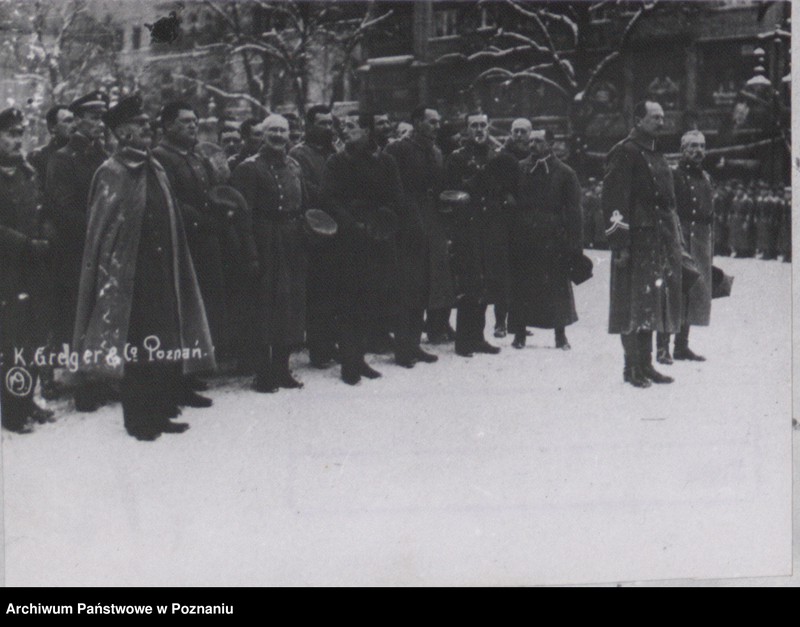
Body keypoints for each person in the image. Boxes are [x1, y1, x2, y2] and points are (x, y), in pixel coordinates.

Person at [72, 94, 215, 441]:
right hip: (129, 278)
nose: (147, 127)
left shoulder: (155, 167)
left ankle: (163, 408)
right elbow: (102, 232)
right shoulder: (111, 172)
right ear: (122, 133)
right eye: (138, 124)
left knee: (164, 339)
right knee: (137, 345)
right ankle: (139, 419)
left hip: (163, 269)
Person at [601, 100, 683, 388]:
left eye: (663, 117)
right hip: (634, 241)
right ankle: (631, 367)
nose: (661, 123)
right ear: (638, 119)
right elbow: (613, 200)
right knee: (631, 304)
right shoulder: (625, 152)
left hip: (657, 240)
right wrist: (619, 243)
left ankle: (646, 365)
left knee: (651, 301)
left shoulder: (654, 152)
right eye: (655, 118)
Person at [321, 111, 404, 385]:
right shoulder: (336, 162)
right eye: (343, 126)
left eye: (352, 126)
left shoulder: (386, 162)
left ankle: (360, 358)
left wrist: (382, 220)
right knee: (349, 301)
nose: (345, 131)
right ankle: (350, 363)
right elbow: (329, 199)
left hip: (379, 237)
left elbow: (396, 197)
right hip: (348, 241)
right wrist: (351, 224)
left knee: (371, 299)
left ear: (368, 131)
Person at [231, 115, 308, 392]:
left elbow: (304, 205)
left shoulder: (294, 166)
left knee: (290, 306)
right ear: (262, 135)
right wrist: (250, 253)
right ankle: (263, 373)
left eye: (283, 130)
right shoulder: (248, 169)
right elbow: (242, 215)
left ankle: (282, 369)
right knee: (264, 307)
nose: (278, 135)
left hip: (291, 241)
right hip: (264, 241)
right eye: (272, 130)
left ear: (289, 135)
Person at [152, 101, 225, 394]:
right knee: (181, 309)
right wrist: (203, 220)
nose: (193, 126)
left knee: (201, 306)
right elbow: (169, 200)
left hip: (204, 241)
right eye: (185, 121)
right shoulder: (160, 157)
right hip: (181, 242)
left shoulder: (195, 156)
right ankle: (178, 378)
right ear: (168, 126)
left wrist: (220, 211)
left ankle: (192, 369)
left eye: (195, 121)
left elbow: (210, 192)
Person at [44, 90, 110, 411]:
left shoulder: (104, 155)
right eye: (94, 117)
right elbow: (63, 209)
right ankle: (84, 386)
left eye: (102, 117)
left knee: (102, 313)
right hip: (77, 250)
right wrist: (100, 226)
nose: (100, 123)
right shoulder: (63, 158)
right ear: (79, 121)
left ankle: (103, 377)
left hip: (105, 249)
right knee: (79, 315)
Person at [0, 107, 56, 433]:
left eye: (19, 134)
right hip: (8, 270)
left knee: (34, 336)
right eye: (9, 134)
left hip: (35, 267)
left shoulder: (27, 171)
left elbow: (43, 207)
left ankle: (27, 399)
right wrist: (25, 243)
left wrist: (47, 233)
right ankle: (13, 412)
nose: (16, 140)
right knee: (12, 340)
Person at [384, 105, 453, 366]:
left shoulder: (436, 152)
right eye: (431, 122)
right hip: (406, 224)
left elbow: (439, 187)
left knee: (425, 284)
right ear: (416, 122)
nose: (437, 126)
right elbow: (390, 186)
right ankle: (403, 348)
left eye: (438, 122)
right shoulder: (398, 149)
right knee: (407, 287)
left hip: (431, 221)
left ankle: (413, 345)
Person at [445, 112, 518, 357]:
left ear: (489, 127)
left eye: (483, 125)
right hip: (467, 226)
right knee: (469, 282)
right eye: (473, 125)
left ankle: (478, 337)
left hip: (490, 226)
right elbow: (449, 191)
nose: (479, 130)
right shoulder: (457, 158)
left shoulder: (497, 156)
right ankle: (464, 341)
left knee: (487, 282)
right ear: (466, 129)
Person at [509, 128, 582, 350]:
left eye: (538, 141)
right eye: (530, 141)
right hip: (525, 236)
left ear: (550, 143)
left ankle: (560, 335)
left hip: (553, 238)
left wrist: (574, 243)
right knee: (523, 285)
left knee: (557, 287)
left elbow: (574, 212)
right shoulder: (520, 169)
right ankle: (519, 334)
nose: (532, 145)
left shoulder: (565, 173)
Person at [656, 130, 714, 363]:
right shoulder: (672, 175)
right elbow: (664, 210)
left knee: (693, 293)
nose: (698, 151)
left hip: (699, 241)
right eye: (692, 146)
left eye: (701, 146)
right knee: (671, 292)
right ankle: (662, 348)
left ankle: (682, 346)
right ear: (682, 150)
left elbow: (710, 214)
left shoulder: (707, 178)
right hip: (677, 239)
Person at [289, 105, 339, 368]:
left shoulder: (334, 151)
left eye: (330, 123)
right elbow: (305, 190)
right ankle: (320, 349)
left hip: (338, 227)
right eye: (322, 123)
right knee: (319, 293)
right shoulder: (298, 155)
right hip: (315, 231)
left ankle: (333, 344)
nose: (328, 128)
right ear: (308, 126)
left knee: (336, 290)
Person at [494, 117, 532, 338]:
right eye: (515, 131)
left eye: (523, 132)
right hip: (506, 222)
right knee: (503, 274)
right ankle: (500, 322)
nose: (519, 135)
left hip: (526, 223)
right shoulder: (502, 157)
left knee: (524, 274)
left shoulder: (533, 157)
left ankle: (519, 323)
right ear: (510, 133)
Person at [28, 105, 75, 183]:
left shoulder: (83, 153)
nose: (74, 125)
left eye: (75, 120)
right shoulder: (38, 157)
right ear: (52, 127)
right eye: (68, 121)